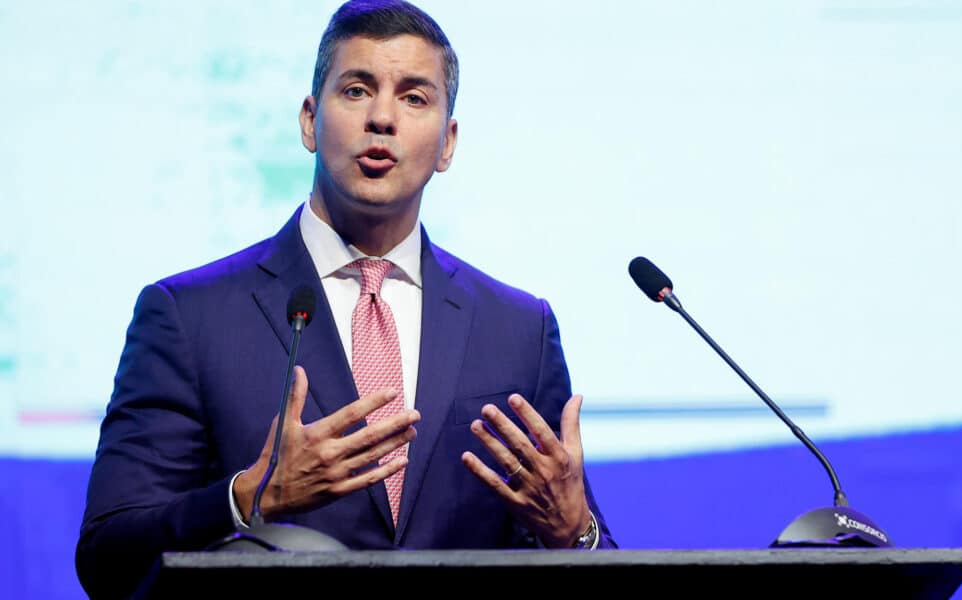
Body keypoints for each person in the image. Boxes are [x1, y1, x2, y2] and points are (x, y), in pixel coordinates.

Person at [76, 1, 616, 597]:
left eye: (415, 98)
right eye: (357, 90)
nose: (383, 117)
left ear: (447, 143)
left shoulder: (518, 329)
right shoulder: (189, 316)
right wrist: (247, 500)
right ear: (309, 120)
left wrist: (576, 532)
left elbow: (595, 554)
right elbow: (108, 557)